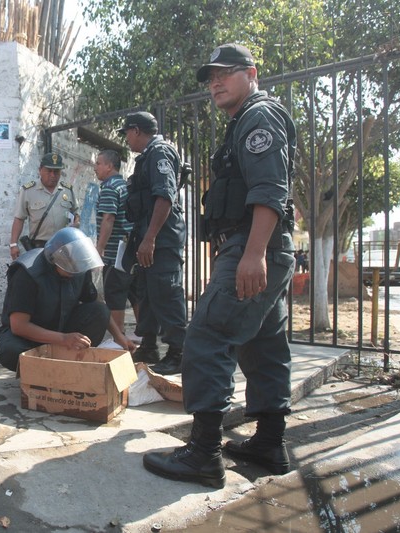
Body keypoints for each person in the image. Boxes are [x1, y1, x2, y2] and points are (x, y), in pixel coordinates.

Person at [142, 43, 297, 488]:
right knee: (263, 343)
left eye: (224, 73)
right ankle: (269, 442)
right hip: (260, 244)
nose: (214, 82)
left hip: (253, 245)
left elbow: (270, 189)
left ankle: (203, 452)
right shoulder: (248, 121)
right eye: (210, 76)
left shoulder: (258, 117)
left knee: (209, 335)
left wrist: (253, 254)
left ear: (251, 73)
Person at [0, 227, 135, 371]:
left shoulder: (78, 270)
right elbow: (19, 326)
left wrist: (119, 336)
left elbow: (96, 302)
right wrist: (63, 339)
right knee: (10, 351)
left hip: (60, 328)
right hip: (27, 336)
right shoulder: (27, 273)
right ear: (55, 259)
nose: (74, 270)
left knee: (99, 311)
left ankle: (69, 365)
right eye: (69, 266)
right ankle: (42, 371)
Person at [121, 111, 188, 375]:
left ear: (136, 130)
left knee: (166, 293)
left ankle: (178, 352)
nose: (126, 139)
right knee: (146, 293)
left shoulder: (160, 153)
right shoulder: (147, 157)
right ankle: (149, 345)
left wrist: (150, 239)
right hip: (148, 239)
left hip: (162, 240)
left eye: (127, 133)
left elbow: (165, 197)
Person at [93, 149, 138, 337]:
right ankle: (142, 332)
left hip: (115, 253)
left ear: (109, 166)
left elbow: (108, 219)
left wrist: (100, 248)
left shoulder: (110, 188)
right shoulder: (125, 185)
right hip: (130, 250)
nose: (95, 168)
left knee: (115, 294)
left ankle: (118, 337)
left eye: (98, 163)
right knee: (134, 293)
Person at [9, 152, 79, 260]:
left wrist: (76, 223)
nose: (52, 175)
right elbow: (19, 218)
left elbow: (75, 213)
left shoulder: (67, 191)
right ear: (40, 170)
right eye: (49, 171)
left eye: (56, 171)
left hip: (63, 246)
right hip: (38, 247)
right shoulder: (28, 191)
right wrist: (13, 244)